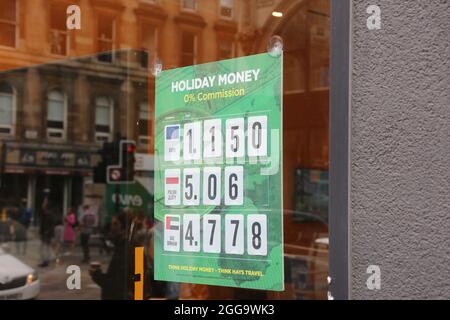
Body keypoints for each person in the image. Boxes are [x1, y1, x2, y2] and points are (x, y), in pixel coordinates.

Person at [38, 200, 55, 268]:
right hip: (43, 233)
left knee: (45, 248)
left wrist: (47, 232)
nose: (42, 205)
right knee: (43, 248)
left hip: (47, 234)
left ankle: (46, 262)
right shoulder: (44, 214)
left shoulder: (49, 214)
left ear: (46, 206)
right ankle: (44, 261)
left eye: (44, 204)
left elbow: (52, 225)